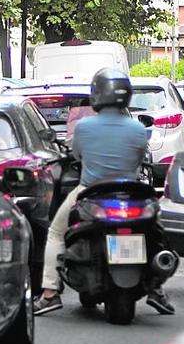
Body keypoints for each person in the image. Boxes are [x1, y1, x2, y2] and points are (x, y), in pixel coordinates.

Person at [33, 68, 175, 316]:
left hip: (89, 191)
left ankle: (49, 293)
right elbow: (140, 158)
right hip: (133, 195)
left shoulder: (85, 127)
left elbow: (77, 155)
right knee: (157, 233)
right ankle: (157, 289)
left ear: (97, 94)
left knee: (56, 233)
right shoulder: (138, 129)